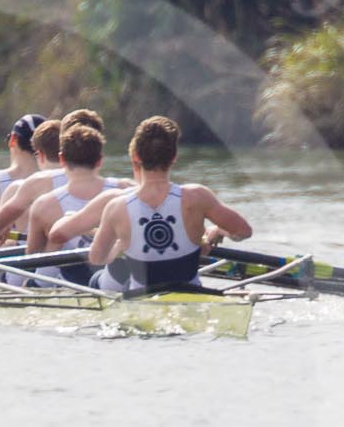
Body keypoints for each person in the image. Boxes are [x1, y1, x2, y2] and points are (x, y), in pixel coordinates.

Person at [50, 116, 252, 294]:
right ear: (174, 158)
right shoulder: (198, 197)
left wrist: (121, 245)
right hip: (190, 293)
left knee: (97, 280)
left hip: (140, 299)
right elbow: (244, 231)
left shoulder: (117, 206)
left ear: (136, 158)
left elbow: (97, 258)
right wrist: (217, 231)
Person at [0, 108, 104, 246]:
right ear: (100, 155)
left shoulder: (29, 185)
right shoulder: (120, 189)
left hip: (45, 264)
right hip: (99, 263)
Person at [17, 122, 119, 283]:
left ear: (62, 159)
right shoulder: (126, 190)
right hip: (114, 278)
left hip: (71, 283)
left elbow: (33, 256)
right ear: (100, 160)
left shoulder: (44, 205)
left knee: (31, 277)